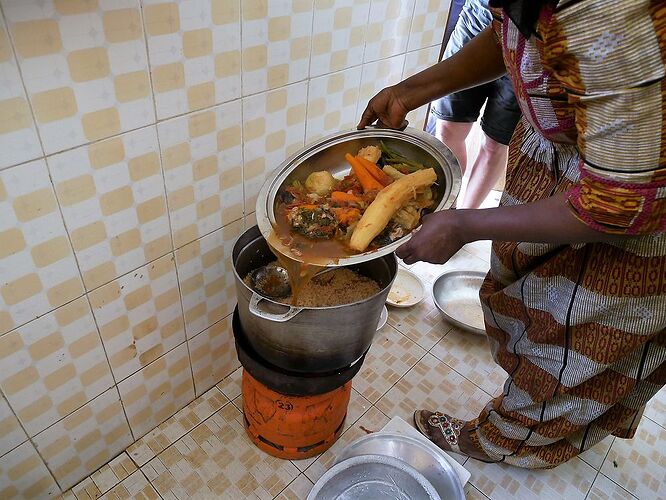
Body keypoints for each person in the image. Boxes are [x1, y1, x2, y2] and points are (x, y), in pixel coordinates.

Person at [358, 0, 666, 469]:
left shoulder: (606, 12)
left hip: (624, 205)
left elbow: (616, 201)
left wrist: (464, 224)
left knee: (565, 340)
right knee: (520, 303)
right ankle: (560, 422)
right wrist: (409, 92)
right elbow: (519, 35)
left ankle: (508, 441)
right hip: (559, 161)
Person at [430, 0, 520, 209]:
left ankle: (463, 219)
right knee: (447, 129)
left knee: (495, 143)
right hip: (479, 15)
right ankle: (446, 210)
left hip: (533, 37)